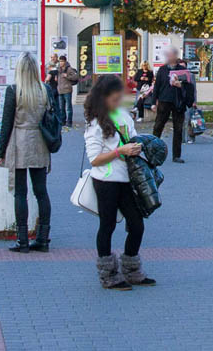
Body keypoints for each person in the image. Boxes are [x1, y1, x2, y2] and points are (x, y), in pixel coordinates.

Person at [84, 75, 156, 290]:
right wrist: (119, 151)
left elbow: (134, 139)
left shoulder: (123, 115)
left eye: (119, 98)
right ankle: (108, 274)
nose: (118, 103)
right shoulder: (95, 123)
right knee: (107, 226)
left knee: (137, 224)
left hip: (126, 179)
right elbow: (94, 159)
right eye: (114, 99)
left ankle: (132, 269)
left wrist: (138, 147)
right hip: (106, 180)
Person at [0, 53, 52, 253]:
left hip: (19, 142)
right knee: (41, 192)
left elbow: (6, 124)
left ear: (19, 69)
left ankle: (22, 240)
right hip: (40, 143)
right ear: (36, 69)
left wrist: (0, 151)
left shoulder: (14, 90)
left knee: (20, 193)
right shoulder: (45, 90)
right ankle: (43, 238)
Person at [151, 46, 192, 163]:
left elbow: (189, 86)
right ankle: (153, 153)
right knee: (158, 127)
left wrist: (181, 85)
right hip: (164, 101)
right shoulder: (162, 70)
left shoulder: (182, 70)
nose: (168, 57)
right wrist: (153, 103)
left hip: (178, 102)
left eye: (170, 55)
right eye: (167, 55)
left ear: (175, 56)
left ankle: (176, 155)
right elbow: (157, 87)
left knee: (178, 129)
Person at [56, 55, 78, 128]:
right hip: (60, 90)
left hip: (67, 90)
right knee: (61, 107)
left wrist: (67, 76)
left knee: (68, 107)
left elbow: (76, 77)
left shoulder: (69, 69)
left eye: (62, 61)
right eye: (60, 61)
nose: (61, 63)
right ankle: (63, 121)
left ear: (65, 61)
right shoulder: (58, 69)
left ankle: (69, 122)